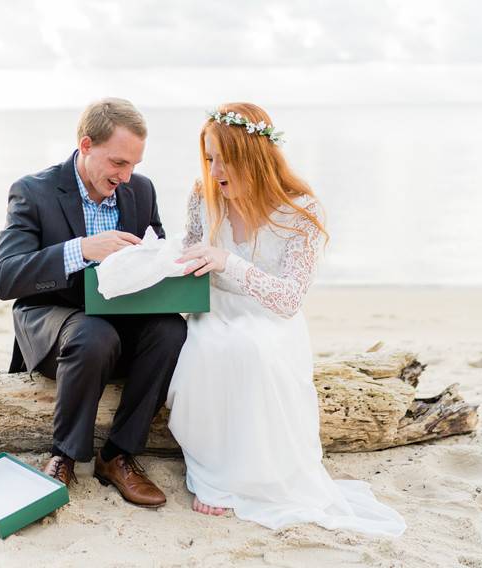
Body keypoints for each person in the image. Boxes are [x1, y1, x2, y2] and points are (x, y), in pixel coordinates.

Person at [166, 102, 407, 536]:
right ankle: (213, 475)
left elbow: (289, 299)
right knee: (209, 347)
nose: (215, 170)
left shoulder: (301, 212)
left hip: (270, 318)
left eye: (225, 158)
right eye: (208, 158)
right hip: (215, 311)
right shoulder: (203, 196)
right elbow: (191, 250)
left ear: (254, 156)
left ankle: (255, 477)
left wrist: (228, 263)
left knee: (252, 348)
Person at [0, 98, 187, 508]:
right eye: (118, 163)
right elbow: (4, 277)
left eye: (133, 164)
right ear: (86, 145)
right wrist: (81, 249)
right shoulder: (33, 191)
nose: (127, 175)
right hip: (55, 322)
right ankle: (64, 454)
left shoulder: (140, 190)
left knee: (172, 328)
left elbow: (155, 253)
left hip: (120, 322)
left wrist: (182, 264)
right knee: (93, 332)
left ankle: (117, 456)